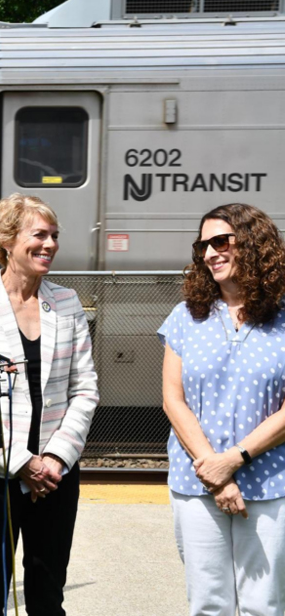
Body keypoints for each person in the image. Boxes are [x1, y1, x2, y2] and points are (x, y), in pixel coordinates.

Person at [0, 193, 99, 616]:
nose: (49, 244)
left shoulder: (67, 302)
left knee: (48, 593)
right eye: (39, 235)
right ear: (7, 241)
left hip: (55, 475)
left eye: (54, 236)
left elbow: (85, 388)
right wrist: (21, 463)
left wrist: (53, 459)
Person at [158, 203, 285, 616]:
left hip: (270, 483)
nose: (210, 253)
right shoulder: (184, 317)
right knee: (208, 604)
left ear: (252, 245)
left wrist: (234, 459)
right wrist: (213, 469)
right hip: (197, 482)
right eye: (202, 247)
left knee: (263, 605)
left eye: (220, 241)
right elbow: (173, 400)